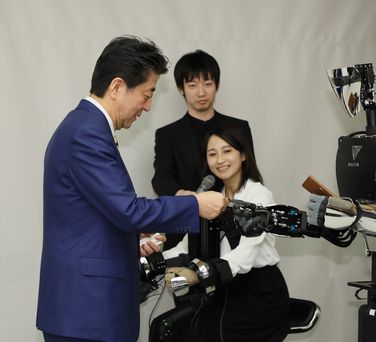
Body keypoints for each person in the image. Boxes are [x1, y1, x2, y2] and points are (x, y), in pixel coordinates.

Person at [36, 36, 227, 342]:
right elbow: (128, 210)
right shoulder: (86, 133)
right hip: (88, 313)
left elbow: (99, 214)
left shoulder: (84, 128)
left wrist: (130, 237)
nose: (149, 106)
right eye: (147, 94)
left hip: (86, 311)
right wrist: (196, 205)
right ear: (116, 87)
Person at [161, 126, 290, 342]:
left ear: (243, 155)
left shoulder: (258, 195)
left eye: (227, 151)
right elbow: (184, 246)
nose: (220, 160)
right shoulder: (212, 198)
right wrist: (154, 257)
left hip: (257, 295)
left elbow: (245, 256)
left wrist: (197, 273)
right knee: (167, 328)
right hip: (222, 291)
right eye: (212, 154)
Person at [151, 49, 254, 249]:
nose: (201, 92)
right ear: (181, 88)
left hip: (234, 226)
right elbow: (161, 180)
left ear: (217, 85)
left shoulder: (239, 128)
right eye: (192, 85)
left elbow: (250, 174)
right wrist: (191, 199)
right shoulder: (167, 134)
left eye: (208, 84)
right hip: (188, 226)